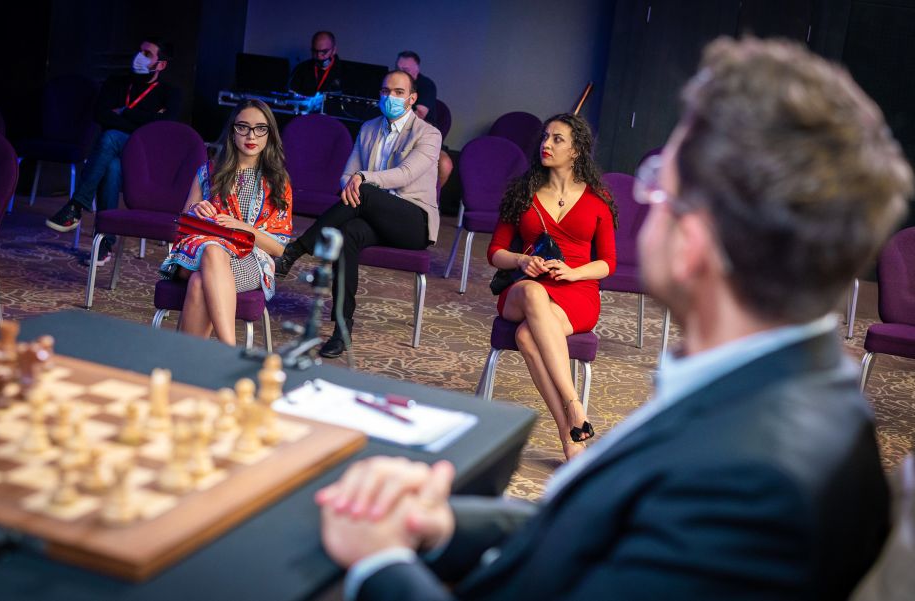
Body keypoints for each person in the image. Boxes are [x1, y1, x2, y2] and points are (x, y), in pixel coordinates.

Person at [315, 37, 913, 601]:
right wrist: (444, 524)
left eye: (657, 185)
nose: (645, 200)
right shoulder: (764, 392)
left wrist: (378, 564)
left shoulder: (756, 482)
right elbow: (597, 526)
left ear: (695, 240)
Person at [275, 70, 441, 358]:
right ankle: (342, 329)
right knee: (347, 234)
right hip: (370, 216)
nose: (390, 97)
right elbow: (346, 176)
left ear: (412, 99)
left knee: (363, 191)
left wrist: (361, 180)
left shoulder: (429, 134)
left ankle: (296, 249)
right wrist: (353, 184)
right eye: (385, 91)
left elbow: (405, 174)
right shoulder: (368, 128)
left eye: (398, 92)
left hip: (413, 222)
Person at [488, 113, 617, 461]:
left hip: (576, 293)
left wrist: (574, 273)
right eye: (545, 137)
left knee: (527, 336)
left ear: (576, 150)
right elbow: (495, 252)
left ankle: (568, 435)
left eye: (557, 139)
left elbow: (608, 262)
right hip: (525, 289)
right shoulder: (523, 192)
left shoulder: (598, 199)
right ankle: (574, 403)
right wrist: (521, 261)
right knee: (533, 293)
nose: (546, 144)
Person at [159, 100, 292, 346]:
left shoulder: (278, 181)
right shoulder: (209, 171)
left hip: (251, 260)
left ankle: (187, 361)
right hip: (198, 253)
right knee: (212, 250)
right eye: (243, 127)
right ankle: (229, 350)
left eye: (260, 128)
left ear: (270, 134)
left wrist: (242, 228)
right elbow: (182, 227)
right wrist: (196, 210)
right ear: (232, 131)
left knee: (199, 283)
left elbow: (279, 248)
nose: (251, 135)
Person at [45, 38, 181, 266]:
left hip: (144, 159)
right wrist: (143, 120)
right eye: (139, 51)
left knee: (110, 136)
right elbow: (100, 114)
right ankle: (104, 244)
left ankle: (76, 206)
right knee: (111, 165)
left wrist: (124, 112)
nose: (139, 57)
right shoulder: (116, 82)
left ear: (161, 65)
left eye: (147, 54)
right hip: (112, 154)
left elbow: (162, 127)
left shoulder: (170, 93)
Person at [395, 50, 452, 188]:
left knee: (445, 164)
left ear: (416, 70)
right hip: (394, 135)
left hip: (422, 136)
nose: (400, 73)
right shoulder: (391, 83)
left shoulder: (426, 85)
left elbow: (420, 114)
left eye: (405, 70)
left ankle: (431, 195)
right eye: (398, 69)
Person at [288, 31, 344, 96]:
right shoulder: (300, 69)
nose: (319, 56)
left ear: (334, 50)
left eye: (324, 52)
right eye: (315, 51)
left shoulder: (346, 71)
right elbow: (291, 94)